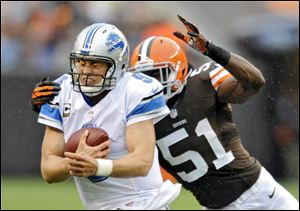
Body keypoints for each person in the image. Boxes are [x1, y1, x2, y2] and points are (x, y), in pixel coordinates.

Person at [128, 15, 299, 210]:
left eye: (159, 74)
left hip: (259, 192)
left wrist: (212, 50)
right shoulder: (139, 113)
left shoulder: (202, 83)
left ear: (180, 69)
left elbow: (254, 82)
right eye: (145, 75)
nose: (153, 83)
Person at [31, 23, 181, 210]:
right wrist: (76, 162)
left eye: (95, 64)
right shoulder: (61, 92)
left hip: (144, 204)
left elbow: (142, 162)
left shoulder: (135, 91)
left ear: (117, 65)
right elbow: (48, 170)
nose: (85, 71)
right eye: (81, 62)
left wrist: (97, 166)